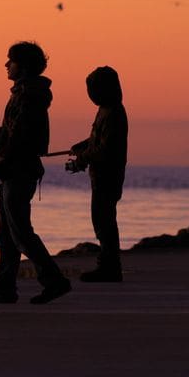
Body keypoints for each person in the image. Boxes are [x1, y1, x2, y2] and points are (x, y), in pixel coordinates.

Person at [0, 41, 72, 305]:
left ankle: (54, 281)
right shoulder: (26, 95)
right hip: (14, 172)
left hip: (18, 172)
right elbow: (14, 136)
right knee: (6, 236)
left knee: (20, 234)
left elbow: (14, 142)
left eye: (10, 60)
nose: (6, 65)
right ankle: (5, 289)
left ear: (23, 66)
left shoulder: (27, 97)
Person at [67, 66, 128, 282]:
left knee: (105, 221)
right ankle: (108, 265)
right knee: (100, 219)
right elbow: (96, 140)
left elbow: (105, 148)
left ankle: (110, 267)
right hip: (99, 175)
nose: (91, 94)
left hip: (109, 176)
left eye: (94, 89)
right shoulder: (104, 110)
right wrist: (81, 146)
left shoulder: (114, 113)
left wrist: (82, 158)